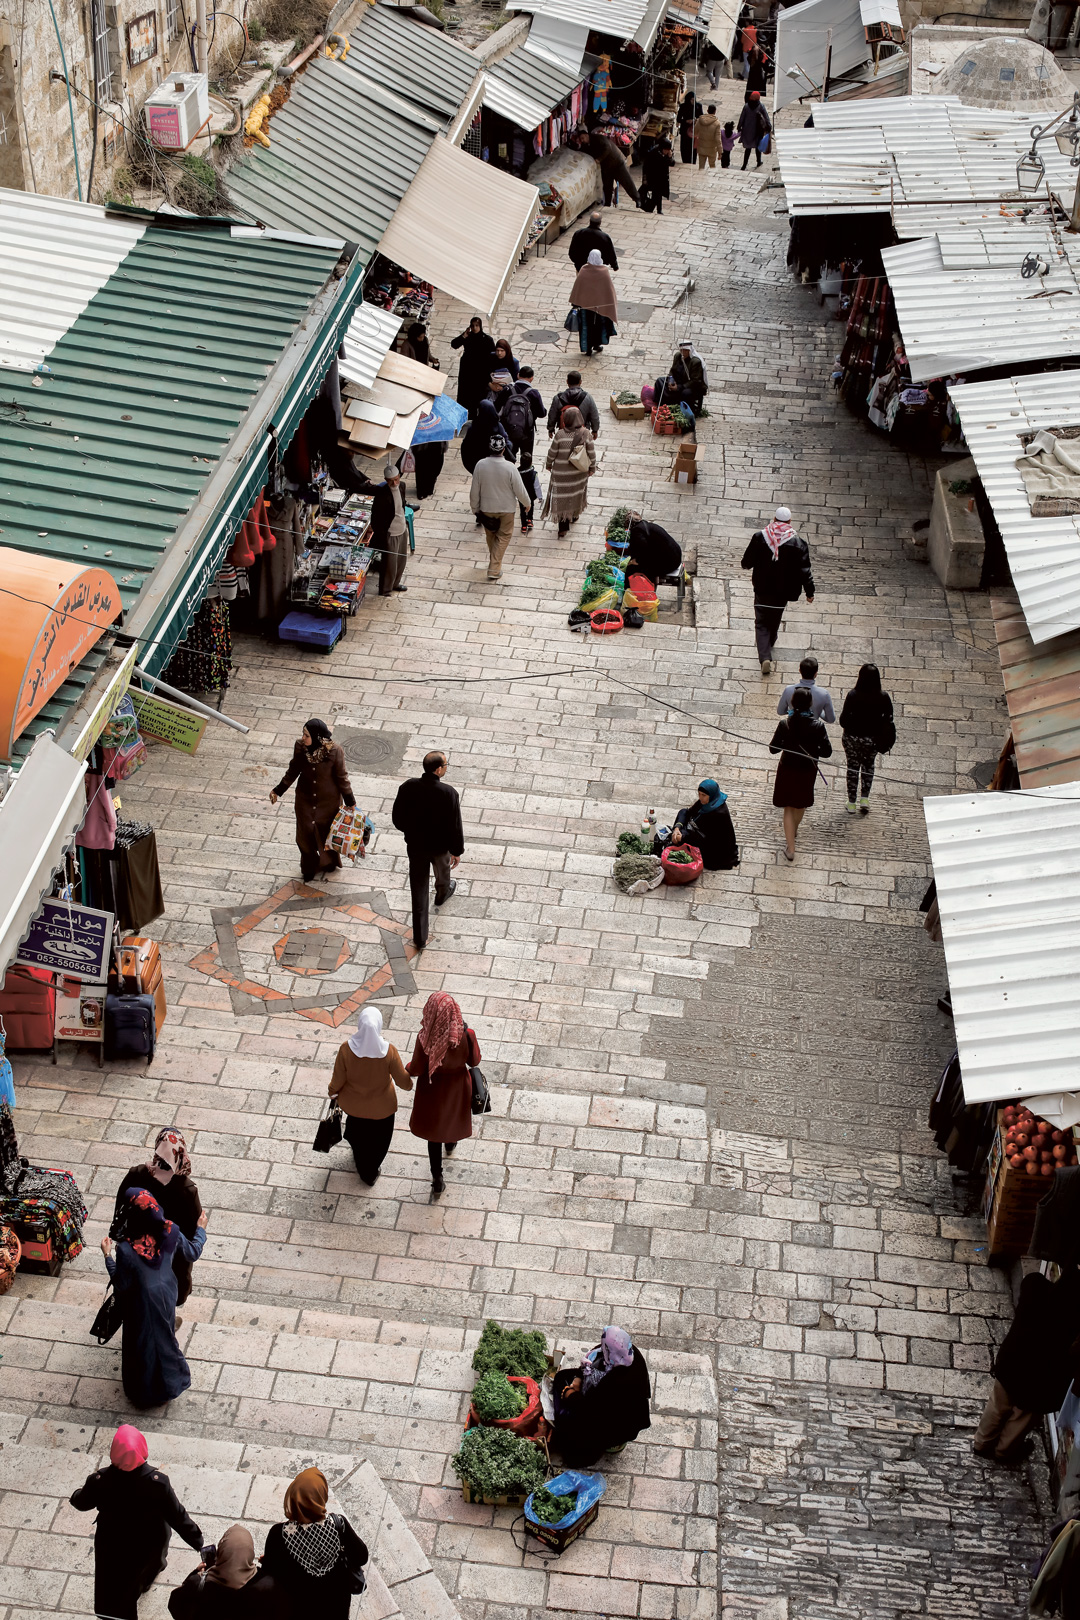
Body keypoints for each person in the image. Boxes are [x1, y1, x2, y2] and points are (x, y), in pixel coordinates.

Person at [72, 1424, 205, 1620]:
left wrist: (76, 1494)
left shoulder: (100, 1481)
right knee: (148, 1567)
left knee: (114, 1588)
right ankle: (144, 1583)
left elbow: (81, 1502)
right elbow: (177, 1516)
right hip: (150, 1541)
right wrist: (198, 1541)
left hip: (112, 1542)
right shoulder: (158, 1482)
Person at [102, 1189, 209, 1407]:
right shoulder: (170, 1230)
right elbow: (193, 1252)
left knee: (142, 1343)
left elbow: (121, 1284)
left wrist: (107, 1256)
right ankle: (168, 1384)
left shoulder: (127, 1249)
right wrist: (201, 1230)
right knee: (163, 1335)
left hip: (141, 1301)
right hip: (167, 1294)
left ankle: (145, 1392)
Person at [974, 1271, 1080, 1463]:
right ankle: (1003, 1452)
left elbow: (1032, 1278)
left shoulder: (1036, 1288)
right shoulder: (1073, 1323)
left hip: (1012, 1364)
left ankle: (981, 1442)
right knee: (1021, 1417)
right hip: (1040, 1380)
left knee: (997, 1404)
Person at [261, 1468, 368, 1618]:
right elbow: (362, 1556)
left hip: (298, 1607)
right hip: (336, 1606)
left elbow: (269, 1572)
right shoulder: (338, 1525)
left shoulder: (279, 1534)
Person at [113, 1128, 202, 1309]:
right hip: (169, 1256)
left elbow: (120, 1209)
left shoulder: (137, 1174)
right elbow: (192, 1239)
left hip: (136, 1247)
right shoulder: (187, 1190)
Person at [407, 991, 480, 1199]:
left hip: (432, 1090)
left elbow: (417, 1068)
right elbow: (474, 1061)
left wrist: (406, 1068)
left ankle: (437, 1178)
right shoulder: (466, 1034)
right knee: (452, 1121)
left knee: (433, 1136)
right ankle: (451, 1142)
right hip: (457, 1088)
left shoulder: (425, 1038)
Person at [329, 1007, 412, 1186]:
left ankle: (363, 1167)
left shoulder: (346, 1049)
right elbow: (403, 1082)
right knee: (380, 1142)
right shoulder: (388, 1051)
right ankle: (371, 1170)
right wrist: (410, 1081)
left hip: (354, 1107)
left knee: (358, 1140)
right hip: (383, 1109)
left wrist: (332, 1091)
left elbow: (338, 1079)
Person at [392, 750, 464, 950]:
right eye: (446, 765)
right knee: (443, 872)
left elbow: (397, 818)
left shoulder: (408, 787)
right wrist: (456, 850)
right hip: (440, 848)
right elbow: (455, 825)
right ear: (439, 769)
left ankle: (420, 937)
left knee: (418, 888)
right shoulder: (449, 793)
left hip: (416, 847)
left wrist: (411, 831)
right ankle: (442, 893)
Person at [551, 1326, 652, 1466]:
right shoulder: (620, 1351)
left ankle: (611, 1445)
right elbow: (591, 1365)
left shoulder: (621, 1381)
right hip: (598, 1402)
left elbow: (590, 1409)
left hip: (614, 1421)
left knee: (574, 1442)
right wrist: (579, 1378)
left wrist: (569, 1394)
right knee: (562, 1377)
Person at [270, 720, 356, 883]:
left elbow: (342, 778)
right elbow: (293, 770)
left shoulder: (335, 751)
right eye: (303, 734)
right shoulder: (300, 747)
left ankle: (329, 862)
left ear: (317, 737)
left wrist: (350, 802)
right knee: (304, 835)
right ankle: (308, 867)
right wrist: (278, 790)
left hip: (328, 802)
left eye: (306, 735)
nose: (303, 738)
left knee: (326, 834)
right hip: (305, 800)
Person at [740, 506, 815, 675]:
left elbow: (747, 561)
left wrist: (748, 564)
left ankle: (765, 656)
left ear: (774, 519)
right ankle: (770, 641)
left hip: (762, 589)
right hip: (783, 592)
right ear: (789, 522)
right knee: (775, 617)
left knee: (761, 622)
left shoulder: (760, 537)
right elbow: (805, 571)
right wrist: (809, 592)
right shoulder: (798, 543)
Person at [168, 1525, 290, 1618]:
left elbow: (175, 1606)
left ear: (220, 1552)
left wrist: (196, 1573)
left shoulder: (197, 1583)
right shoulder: (268, 1586)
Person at [769, 686, 832, 861]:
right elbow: (827, 751)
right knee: (800, 804)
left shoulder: (785, 724)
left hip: (787, 769)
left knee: (788, 806)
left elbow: (773, 749)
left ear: (793, 703)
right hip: (807, 770)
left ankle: (791, 847)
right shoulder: (818, 726)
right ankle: (793, 831)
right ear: (810, 704)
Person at [470, 436, 531, 579]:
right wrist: (526, 503)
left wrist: (475, 508)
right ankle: (494, 569)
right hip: (506, 510)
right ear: (504, 449)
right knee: (504, 537)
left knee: (491, 535)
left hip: (486, 509)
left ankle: (494, 562)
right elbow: (519, 489)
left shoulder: (480, 465)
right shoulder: (510, 467)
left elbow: (474, 490)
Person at [838, 663, 895, 814]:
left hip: (852, 738)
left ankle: (851, 802)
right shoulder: (883, 697)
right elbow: (889, 719)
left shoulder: (853, 695)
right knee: (868, 766)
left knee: (852, 767)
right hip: (873, 740)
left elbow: (843, 720)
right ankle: (864, 798)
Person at [657, 779, 739, 870]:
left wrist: (683, 838)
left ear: (711, 795)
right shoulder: (704, 803)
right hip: (697, 833)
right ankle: (677, 837)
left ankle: (679, 841)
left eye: (703, 795)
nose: (700, 798)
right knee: (683, 813)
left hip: (713, 848)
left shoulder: (719, 814)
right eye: (699, 794)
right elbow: (688, 813)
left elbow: (707, 839)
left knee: (683, 836)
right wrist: (677, 828)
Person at [544, 406, 596, 537]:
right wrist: (592, 468)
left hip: (561, 475)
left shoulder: (560, 434)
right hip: (578, 474)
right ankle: (573, 515)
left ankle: (563, 527)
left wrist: (549, 464)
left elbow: (552, 453)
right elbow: (591, 454)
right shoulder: (586, 434)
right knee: (575, 495)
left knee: (562, 499)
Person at [568, 248, 619, 357]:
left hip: (585, 307)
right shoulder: (604, 271)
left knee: (586, 327)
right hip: (600, 308)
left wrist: (576, 302)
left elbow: (578, 287)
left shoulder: (584, 269)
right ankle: (596, 344)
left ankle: (588, 348)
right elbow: (608, 289)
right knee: (599, 327)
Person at [370, 462, 409, 596]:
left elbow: (402, 504)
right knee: (389, 564)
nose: (395, 483)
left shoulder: (402, 486)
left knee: (401, 560)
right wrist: (383, 534)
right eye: (391, 481)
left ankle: (395, 583)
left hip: (402, 528)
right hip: (390, 533)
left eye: (396, 479)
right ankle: (385, 588)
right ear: (386, 481)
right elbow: (375, 517)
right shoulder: (382, 495)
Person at [449, 316, 497, 417]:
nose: (475, 328)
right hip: (467, 370)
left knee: (478, 396)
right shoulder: (467, 337)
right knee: (465, 395)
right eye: (473, 326)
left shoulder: (487, 339)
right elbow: (454, 344)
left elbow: (493, 356)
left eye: (477, 325)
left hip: (480, 371)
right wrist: (463, 336)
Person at [491, 372, 538, 462]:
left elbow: (496, 406)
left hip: (509, 429)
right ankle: (525, 473)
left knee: (509, 457)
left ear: (518, 375)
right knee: (526, 456)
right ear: (532, 378)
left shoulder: (508, 389)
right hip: (527, 431)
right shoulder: (533, 393)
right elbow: (542, 413)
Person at [585, 128, 640, 207]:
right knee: (607, 186)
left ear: (587, 135)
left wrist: (599, 159)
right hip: (606, 167)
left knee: (627, 182)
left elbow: (608, 148)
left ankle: (637, 199)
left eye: (583, 138)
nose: (582, 140)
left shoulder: (597, 138)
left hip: (617, 162)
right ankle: (607, 203)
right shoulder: (589, 144)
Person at [777, 655, 835, 724]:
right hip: (812, 729)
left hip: (792, 728)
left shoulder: (788, 690)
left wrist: (792, 710)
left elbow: (780, 711)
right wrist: (819, 712)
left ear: (800, 671)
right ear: (816, 674)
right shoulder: (824, 694)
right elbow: (831, 719)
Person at [627, 513, 681, 585]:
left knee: (632, 569)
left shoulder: (637, 531)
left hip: (670, 564)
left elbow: (643, 551)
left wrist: (635, 561)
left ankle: (639, 590)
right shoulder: (647, 526)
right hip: (676, 556)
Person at [461, 398, 509, 477]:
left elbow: (466, 448)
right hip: (496, 467)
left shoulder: (474, 428)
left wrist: (472, 468)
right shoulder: (498, 426)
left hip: (478, 467)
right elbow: (507, 443)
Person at [548, 371, 600, 438]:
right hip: (582, 433)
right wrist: (595, 430)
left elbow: (552, 415)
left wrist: (551, 429)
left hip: (564, 433)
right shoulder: (587, 397)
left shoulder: (558, 398)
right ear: (580, 382)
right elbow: (594, 416)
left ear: (567, 381)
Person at [670, 340, 708, 415]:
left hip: (691, 386)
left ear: (689, 351)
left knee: (686, 393)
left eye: (685, 351)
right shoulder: (677, 356)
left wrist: (679, 387)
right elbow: (672, 370)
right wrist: (671, 380)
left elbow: (695, 381)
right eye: (681, 350)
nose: (682, 353)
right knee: (660, 381)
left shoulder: (695, 362)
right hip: (678, 382)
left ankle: (687, 412)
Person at [640, 138, 674, 214]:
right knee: (655, 194)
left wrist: (670, 157)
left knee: (658, 194)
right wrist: (645, 179)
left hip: (662, 178)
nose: (668, 152)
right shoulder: (653, 153)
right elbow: (645, 166)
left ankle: (659, 209)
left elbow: (672, 163)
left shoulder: (667, 155)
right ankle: (650, 208)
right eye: (666, 150)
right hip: (653, 177)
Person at [738, 91, 771, 169]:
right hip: (758, 130)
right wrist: (769, 126)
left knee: (748, 148)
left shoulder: (746, 106)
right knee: (757, 146)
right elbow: (766, 116)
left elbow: (742, 117)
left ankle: (744, 165)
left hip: (747, 129)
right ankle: (758, 161)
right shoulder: (761, 106)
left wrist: (739, 126)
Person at [518, 451, 542, 533]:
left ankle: (523, 525)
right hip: (530, 495)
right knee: (530, 506)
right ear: (531, 462)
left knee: (522, 510)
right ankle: (530, 520)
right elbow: (537, 486)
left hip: (521, 495)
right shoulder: (533, 474)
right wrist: (540, 496)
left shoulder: (517, 473)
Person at [695, 104, 722, 169]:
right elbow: (718, 139)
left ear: (707, 110)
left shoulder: (700, 120)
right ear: (715, 111)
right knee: (712, 166)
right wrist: (720, 152)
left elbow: (695, 132)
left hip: (701, 146)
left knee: (701, 167)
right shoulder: (717, 123)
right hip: (712, 149)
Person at [678, 90, 702, 163]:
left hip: (694, 130)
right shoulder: (683, 106)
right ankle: (685, 160)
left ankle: (693, 161)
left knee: (693, 148)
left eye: (694, 99)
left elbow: (701, 117)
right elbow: (678, 119)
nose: (693, 101)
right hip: (685, 130)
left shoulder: (698, 106)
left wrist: (696, 120)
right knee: (685, 147)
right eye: (691, 99)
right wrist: (686, 121)